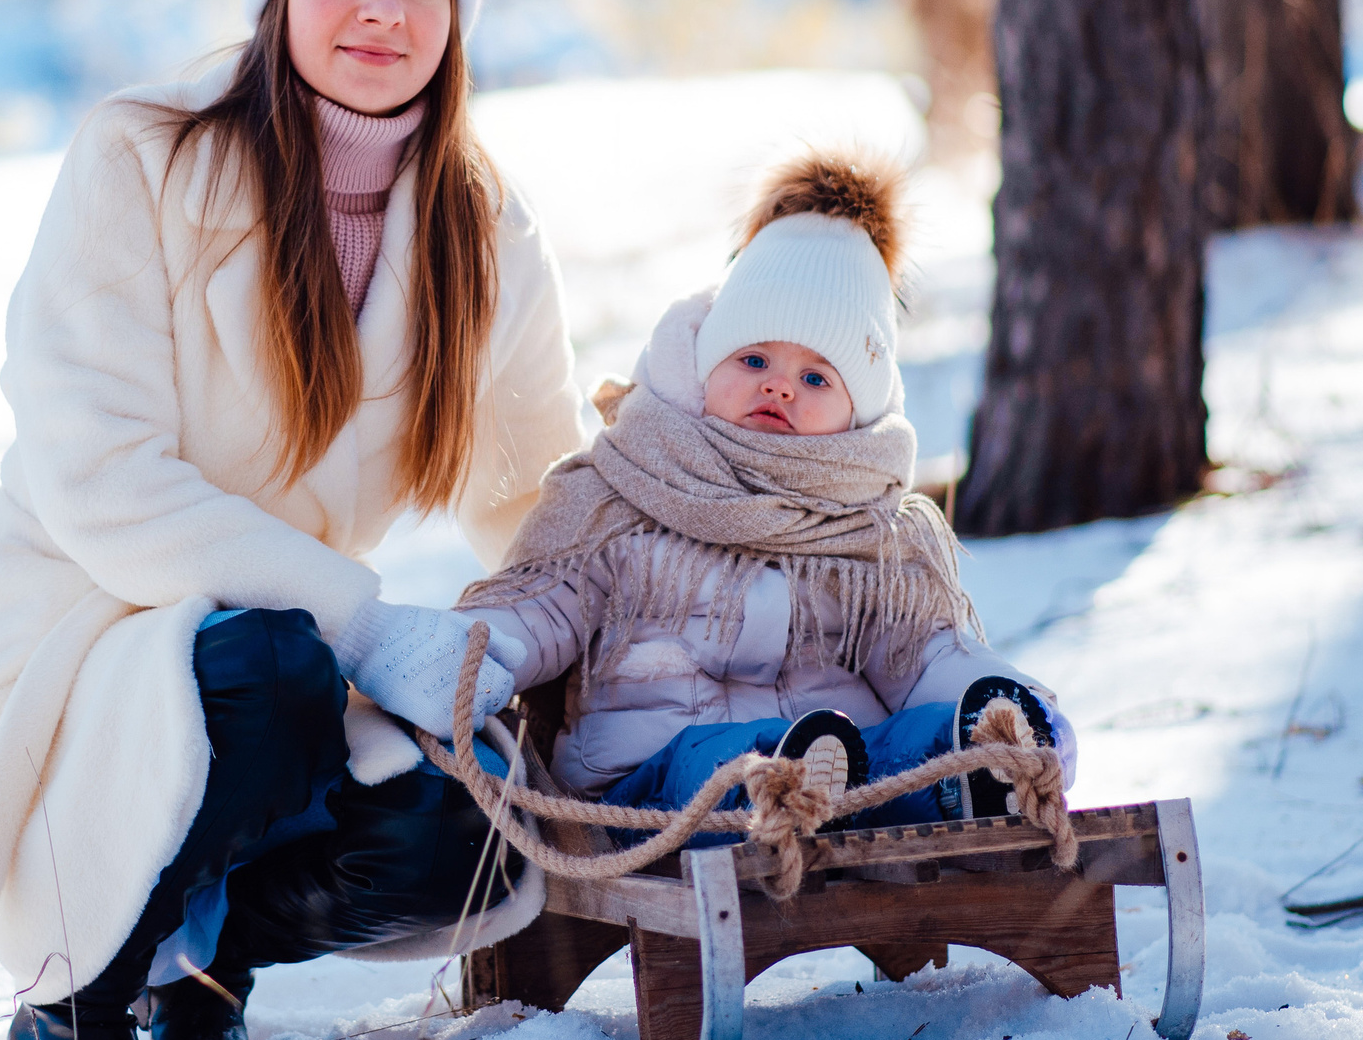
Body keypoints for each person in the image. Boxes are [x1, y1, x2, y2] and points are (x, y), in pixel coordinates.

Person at [0, 0, 585, 1040]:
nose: (381, 10)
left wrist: (652, 600)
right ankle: (74, 1007)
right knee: (267, 661)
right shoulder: (145, 157)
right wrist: (360, 618)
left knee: (468, 833)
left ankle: (208, 965)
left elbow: (539, 497)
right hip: (74, 654)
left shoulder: (482, 226)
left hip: (286, 672)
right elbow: (101, 478)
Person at [449, 153, 1077, 836]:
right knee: (712, 760)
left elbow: (928, 656)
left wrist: (1020, 712)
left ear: (856, 412)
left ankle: (983, 772)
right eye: (753, 360)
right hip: (648, 790)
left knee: (921, 737)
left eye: (816, 379)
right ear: (704, 363)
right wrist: (466, 655)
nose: (779, 386)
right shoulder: (621, 490)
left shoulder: (873, 531)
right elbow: (541, 603)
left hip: (846, 773)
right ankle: (783, 776)